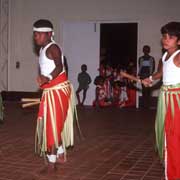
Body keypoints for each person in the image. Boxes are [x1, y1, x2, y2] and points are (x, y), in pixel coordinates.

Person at [33, 19, 77, 173]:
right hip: (51, 90)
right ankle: (60, 154)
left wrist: (48, 78)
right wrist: (44, 80)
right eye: (35, 34)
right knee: (51, 123)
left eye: (39, 34)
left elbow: (59, 66)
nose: (36, 37)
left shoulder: (53, 48)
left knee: (52, 125)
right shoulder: (42, 49)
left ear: (50, 34)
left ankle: (51, 164)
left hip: (58, 91)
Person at [143, 22, 180, 180]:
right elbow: (161, 72)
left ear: (179, 41)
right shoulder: (165, 56)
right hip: (165, 98)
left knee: (175, 136)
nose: (166, 39)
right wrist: (150, 79)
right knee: (168, 135)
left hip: (176, 99)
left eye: (170, 37)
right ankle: (171, 172)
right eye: (164, 36)